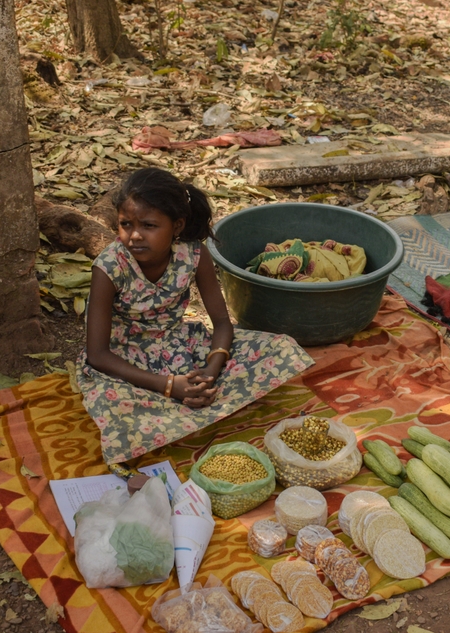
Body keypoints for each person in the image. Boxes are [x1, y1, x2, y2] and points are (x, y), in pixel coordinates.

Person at [77, 168, 314, 472]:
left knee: (282, 349)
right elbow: (97, 354)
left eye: (149, 225)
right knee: (114, 407)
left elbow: (223, 323)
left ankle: (190, 407)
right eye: (126, 225)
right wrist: (168, 386)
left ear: (177, 226)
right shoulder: (109, 267)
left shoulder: (194, 254)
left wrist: (211, 370)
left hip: (183, 345)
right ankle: (187, 408)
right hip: (125, 361)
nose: (134, 235)